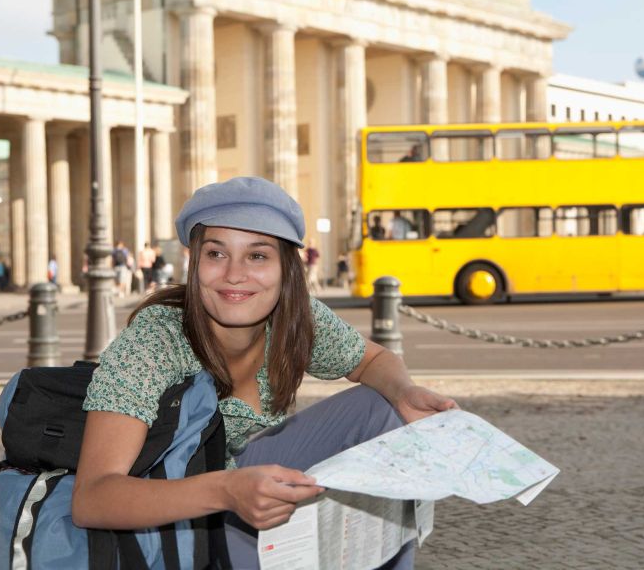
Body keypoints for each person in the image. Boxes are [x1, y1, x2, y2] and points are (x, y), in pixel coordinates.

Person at [73, 176, 457, 569]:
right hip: (175, 512)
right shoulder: (154, 342)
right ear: (195, 263)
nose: (235, 275)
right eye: (216, 254)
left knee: (386, 408)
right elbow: (93, 498)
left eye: (257, 256)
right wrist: (225, 490)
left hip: (246, 480)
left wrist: (404, 390)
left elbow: (374, 361)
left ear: (286, 268)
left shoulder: (296, 320)